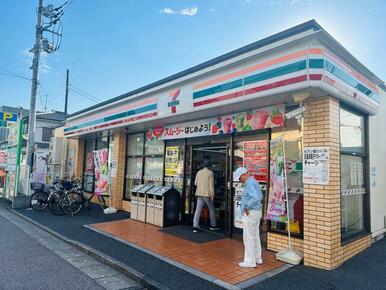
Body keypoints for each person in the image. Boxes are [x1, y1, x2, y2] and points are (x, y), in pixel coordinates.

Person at [233, 167, 263, 268]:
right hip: (256, 212)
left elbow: (256, 198)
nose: (240, 180)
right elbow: (260, 196)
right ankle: (258, 258)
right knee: (255, 236)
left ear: (244, 174)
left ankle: (250, 261)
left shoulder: (249, 183)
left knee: (248, 237)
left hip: (250, 213)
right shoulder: (254, 181)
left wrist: (246, 206)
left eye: (240, 178)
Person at [193, 159, 220, 232]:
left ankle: (195, 226)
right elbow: (211, 185)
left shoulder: (199, 172)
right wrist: (212, 194)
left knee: (198, 209)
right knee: (211, 209)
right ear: (210, 166)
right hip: (207, 194)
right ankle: (213, 225)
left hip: (199, 193)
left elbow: (195, 183)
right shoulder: (210, 173)